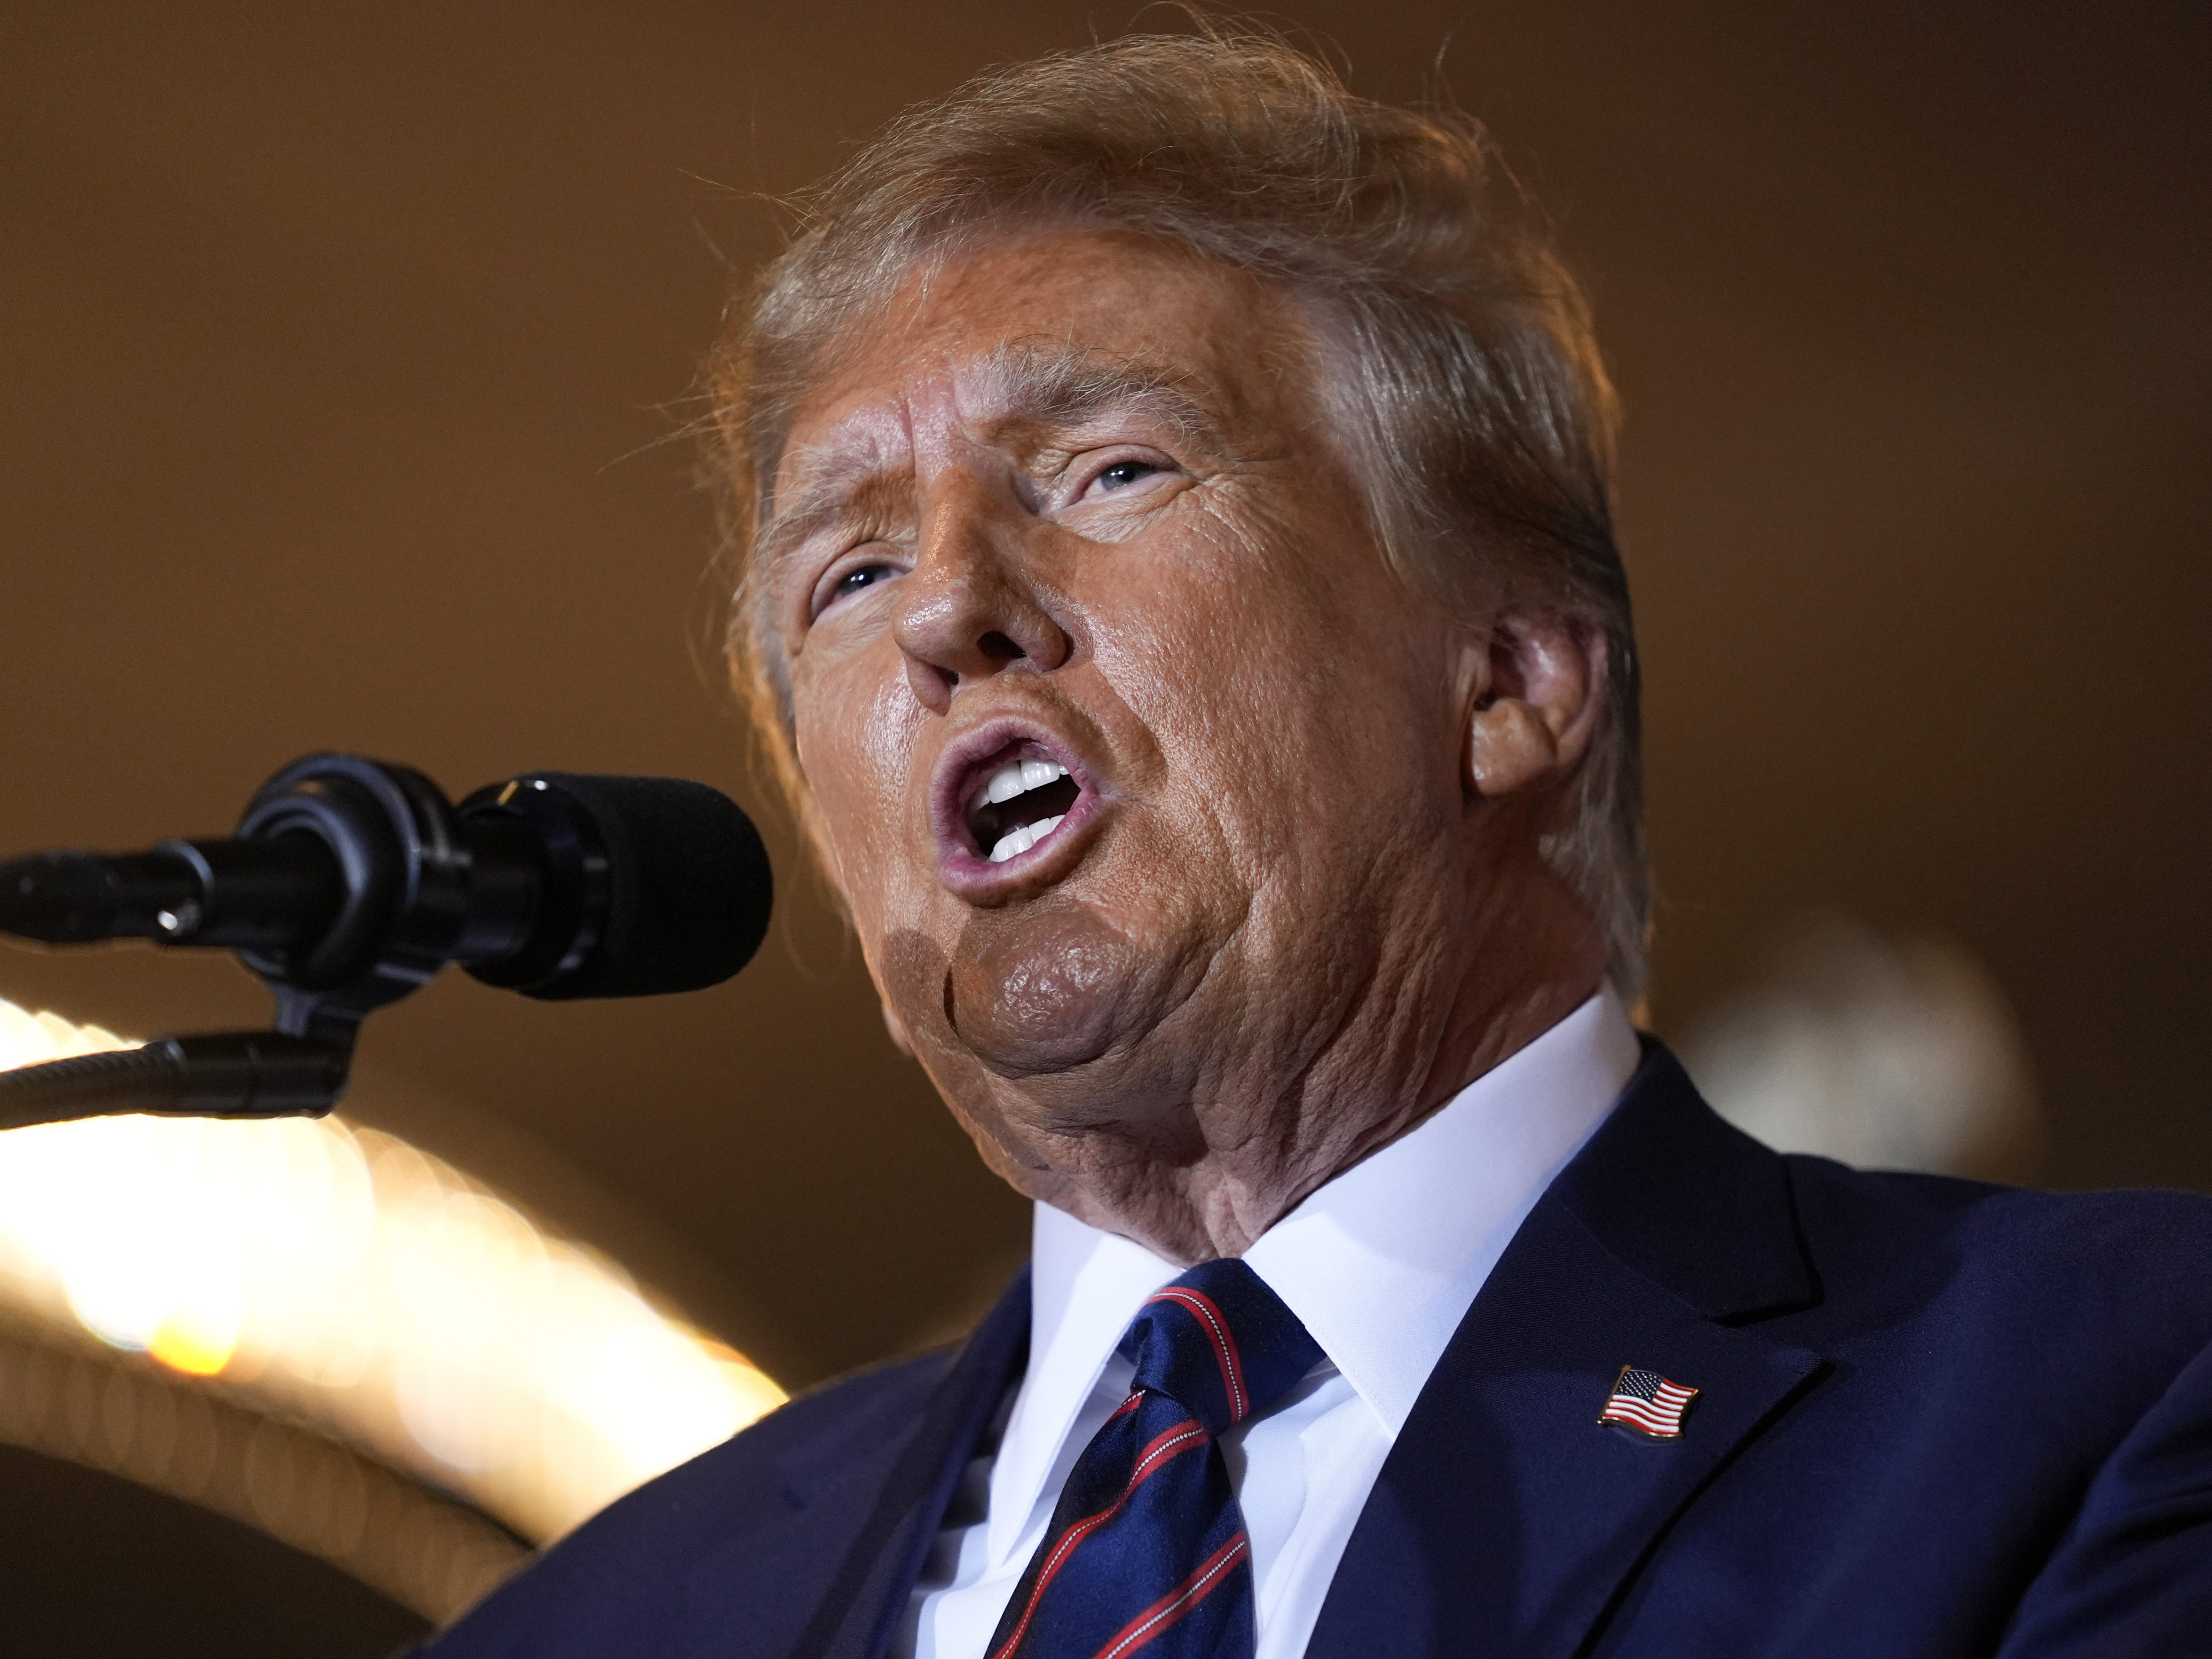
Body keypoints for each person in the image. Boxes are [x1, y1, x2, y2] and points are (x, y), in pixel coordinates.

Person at [419, 32, 2212, 1659]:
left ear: (1509, 679)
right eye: (852, 572)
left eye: (1113, 471)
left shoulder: (2110, 1398)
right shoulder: (583, 1624)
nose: (948, 609)